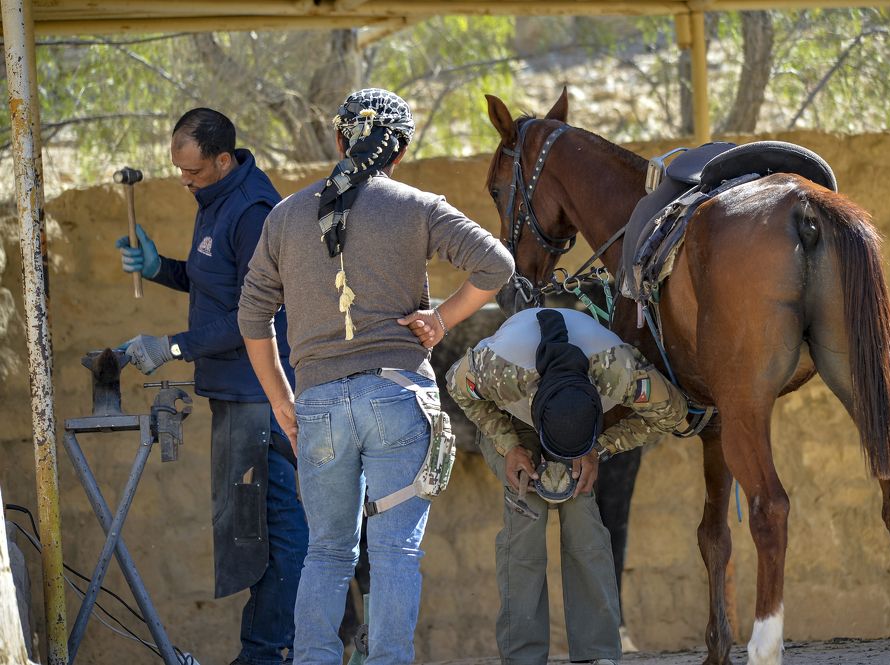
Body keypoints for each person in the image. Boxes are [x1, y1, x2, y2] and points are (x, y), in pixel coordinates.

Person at [237, 88, 514, 665]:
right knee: (395, 554)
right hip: (397, 395)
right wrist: (441, 319)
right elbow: (497, 264)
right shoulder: (417, 206)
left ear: (339, 140)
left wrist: (283, 400)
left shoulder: (285, 216)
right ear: (401, 150)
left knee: (326, 553)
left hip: (318, 405)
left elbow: (252, 314)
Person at [115, 108, 308, 665]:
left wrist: (172, 346)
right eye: (179, 170)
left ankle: (270, 651)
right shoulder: (216, 197)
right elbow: (216, 283)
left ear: (223, 160)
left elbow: (254, 315)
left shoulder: (253, 211)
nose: (185, 181)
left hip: (261, 396)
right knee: (251, 532)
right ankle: (268, 649)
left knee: (278, 530)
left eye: (193, 171)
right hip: (233, 394)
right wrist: (159, 268)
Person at [446, 307, 688, 665]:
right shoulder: (497, 370)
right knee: (526, 513)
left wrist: (600, 448)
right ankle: (522, 658)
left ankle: (597, 654)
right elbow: (456, 385)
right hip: (514, 417)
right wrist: (509, 446)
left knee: (581, 512)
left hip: (581, 423)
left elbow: (674, 412)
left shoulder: (620, 372)